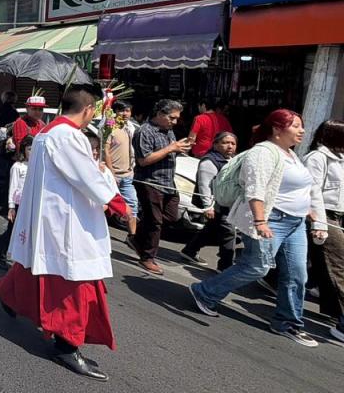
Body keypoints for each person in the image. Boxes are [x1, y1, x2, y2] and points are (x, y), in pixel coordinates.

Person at [0, 88, 126, 381]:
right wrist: (118, 202)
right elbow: (86, 177)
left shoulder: (46, 132)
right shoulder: (68, 136)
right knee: (73, 281)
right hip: (66, 219)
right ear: (88, 109)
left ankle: (8, 292)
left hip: (50, 214)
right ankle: (66, 345)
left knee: (37, 269)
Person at [190, 110, 322, 348]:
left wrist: (313, 214)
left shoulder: (292, 154)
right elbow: (255, 188)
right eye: (296, 126)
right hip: (271, 219)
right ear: (277, 129)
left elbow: (304, 188)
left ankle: (287, 323)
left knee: (297, 274)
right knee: (256, 266)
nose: (302, 130)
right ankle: (205, 292)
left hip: (296, 223)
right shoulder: (263, 152)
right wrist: (260, 221)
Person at [130, 99, 192, 275]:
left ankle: (137, 237)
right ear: (159, 114)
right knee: (155, 222)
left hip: (168, 182)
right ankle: (147, 257)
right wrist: (170, 149)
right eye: (172, 118)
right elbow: (144, 160)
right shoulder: (144, 131)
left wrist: (179, 148)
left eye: (177, 118)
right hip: (150, 182)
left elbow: (168, 152)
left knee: (171, 217)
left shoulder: (169, 131)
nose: (175, 122)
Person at [303, 120, 344, 344]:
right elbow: (314, 192)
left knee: (323, 263)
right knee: (338, 265)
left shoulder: (340, 158)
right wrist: (319, 223)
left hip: (337, 215)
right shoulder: (317, 158)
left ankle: (333, 309)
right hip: (323, 215)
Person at [180, 132, 239, 270]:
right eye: (225, 143)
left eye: (233, 143)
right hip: (216, 205)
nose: (230, 146)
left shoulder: (232, 160)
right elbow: (204, 185)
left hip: (226, 202)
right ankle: (225, 266)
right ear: (216, 144)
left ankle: (190, 250)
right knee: (229, 232)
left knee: (211, 229)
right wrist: (208, 206)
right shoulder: (210, 161)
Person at [0, 136, 33, 267]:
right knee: (11, 231)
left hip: (30, 204)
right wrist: (11, 206)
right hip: (18, 203)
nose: (32, 152)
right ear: (24, 150)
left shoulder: (37, 167)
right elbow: (13, 187)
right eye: (29, 149)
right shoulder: (18, 166)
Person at [104, 100, 140, 239]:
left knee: (132, 206)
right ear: (115, 112)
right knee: (104, 205)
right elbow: (105, 151)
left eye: (127, 111)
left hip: (128, 175)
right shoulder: (109, 126)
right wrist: (111, 173)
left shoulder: (130, 127)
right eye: (121, 111)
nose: (125, 114)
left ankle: (132, 238)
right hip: (111, 175)